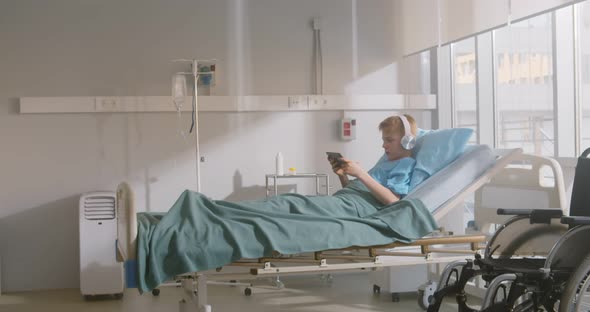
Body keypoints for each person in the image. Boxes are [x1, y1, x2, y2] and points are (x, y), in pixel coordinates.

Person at [328, 114, 417, 206]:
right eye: (384, 141)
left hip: (354, 205)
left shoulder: (405, 163)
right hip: (344, 198)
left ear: (407, 141)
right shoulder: (384, 163)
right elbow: (355, 191)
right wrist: (343, 176)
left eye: (389, 140)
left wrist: (361, 173)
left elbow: (393, 200)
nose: (384, 145)